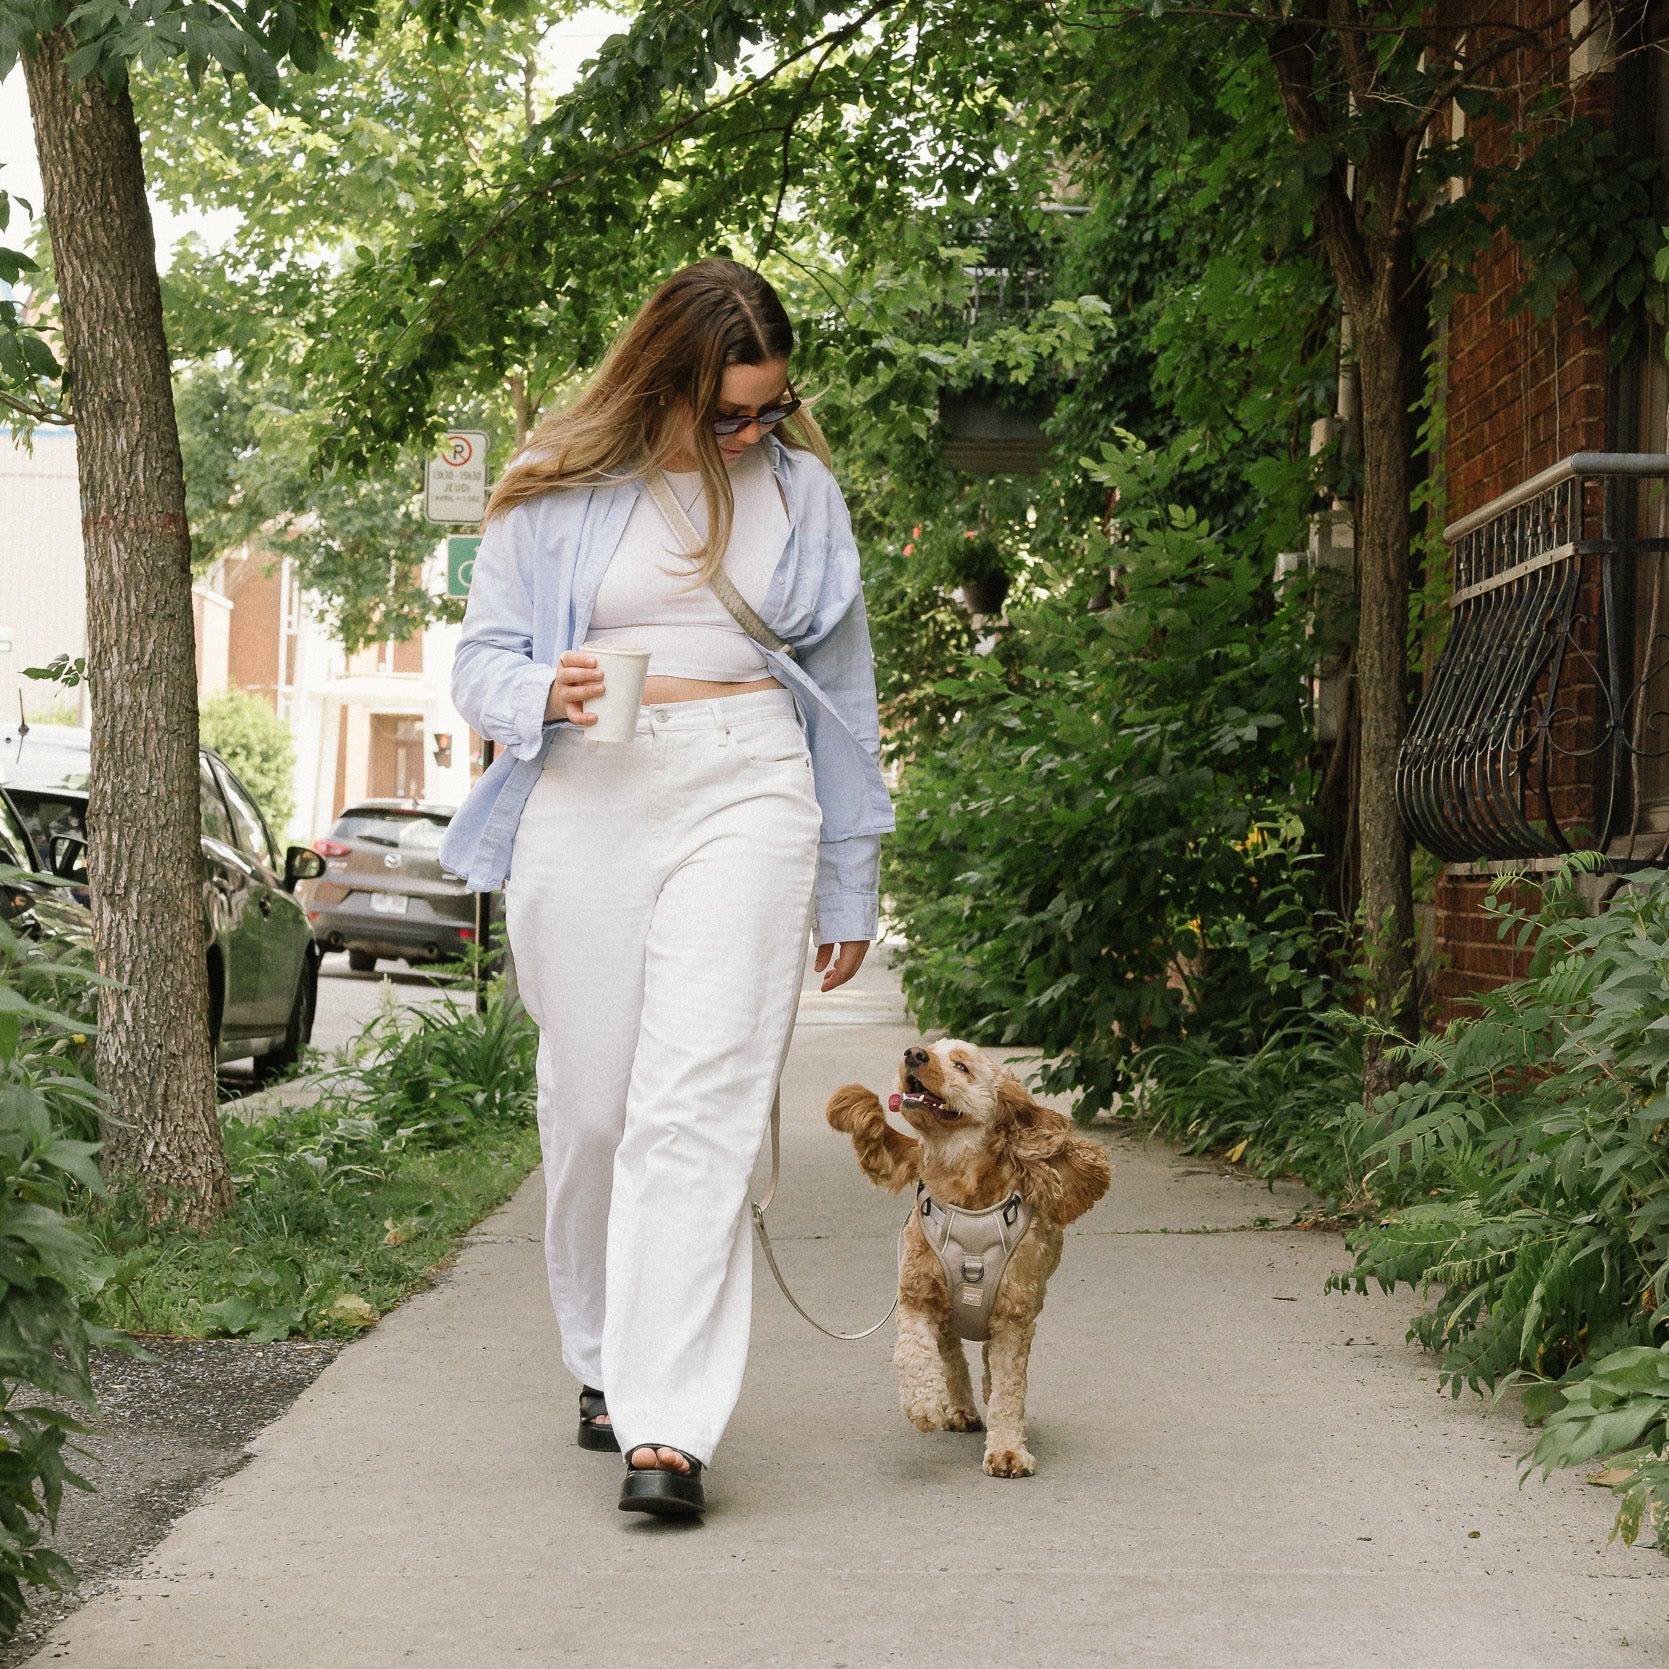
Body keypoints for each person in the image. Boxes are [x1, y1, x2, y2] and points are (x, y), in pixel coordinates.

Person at [439, 258, 894, 1519]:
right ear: (666, 382)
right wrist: (541, 691)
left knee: (696, 1110)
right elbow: (477, 658)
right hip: (589, 787)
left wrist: (849, 879)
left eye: (771, 407)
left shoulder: (804, 495)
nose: (753, 433)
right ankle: (601, 1358)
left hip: (750, 781)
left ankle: (670, 1427)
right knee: (593, 1111)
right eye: (729, 411)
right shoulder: (558, 489)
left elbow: (844, 692)